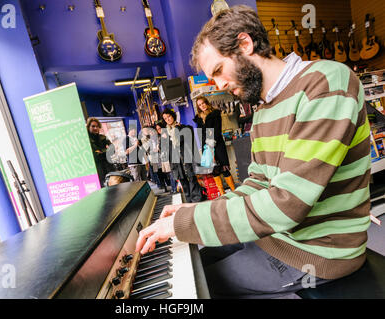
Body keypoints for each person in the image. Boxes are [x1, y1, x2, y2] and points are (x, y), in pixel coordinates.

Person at [136, 5, 371, 299]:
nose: (218, 84)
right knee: (197, 258)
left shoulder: (326, 83)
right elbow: (258, 185)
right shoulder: (263, 111)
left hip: (318, 253)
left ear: (245, 44)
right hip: (277, 238)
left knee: (197, 287)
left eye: (219, 70)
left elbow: (287, 204)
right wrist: (195, 210)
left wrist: (183, 224)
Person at [193, 96, 237, 195]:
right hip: (207, 147)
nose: (202, 106)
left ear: (207, 103)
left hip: (217, 145)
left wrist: (211, 143)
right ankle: (222, 193)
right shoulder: (199, 119)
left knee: (224, 169)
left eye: (203, 103)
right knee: (214, 171)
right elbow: (201, 135)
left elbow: (217, 130)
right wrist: (205, 147)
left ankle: (234, 191)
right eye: (199, 105)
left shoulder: (215, 114)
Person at [161, 108, 205, 203]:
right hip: (176, 160)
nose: (167, 119)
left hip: (186, 157)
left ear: (173, 116)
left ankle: (196, 200)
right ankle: (189, 201)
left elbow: (186, 139)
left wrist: (178, 128)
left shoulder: (183, 127)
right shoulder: (166, 133)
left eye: (168, 116)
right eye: (165, 118)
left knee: (191, 178)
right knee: (183, 181)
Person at [87, 117, 113, 187]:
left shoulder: (104, 137)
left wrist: (101, 151)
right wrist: (105, 151)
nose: (95, 128)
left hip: (109, 166)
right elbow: (95, 154)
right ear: (88, 127)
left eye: (97, 126)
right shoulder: (86, 140)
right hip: (96, 169)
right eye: (93, 126)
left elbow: (112, 149)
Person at [155, 121, 177, 194]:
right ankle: (174, 188)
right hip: (165, 157)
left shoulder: (166, 134)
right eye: (157, 129)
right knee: (170, 173)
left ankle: (175, 189)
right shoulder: (161, 136)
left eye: (160, 128)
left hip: (170, 156)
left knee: (172, 173)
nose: (159, 130)